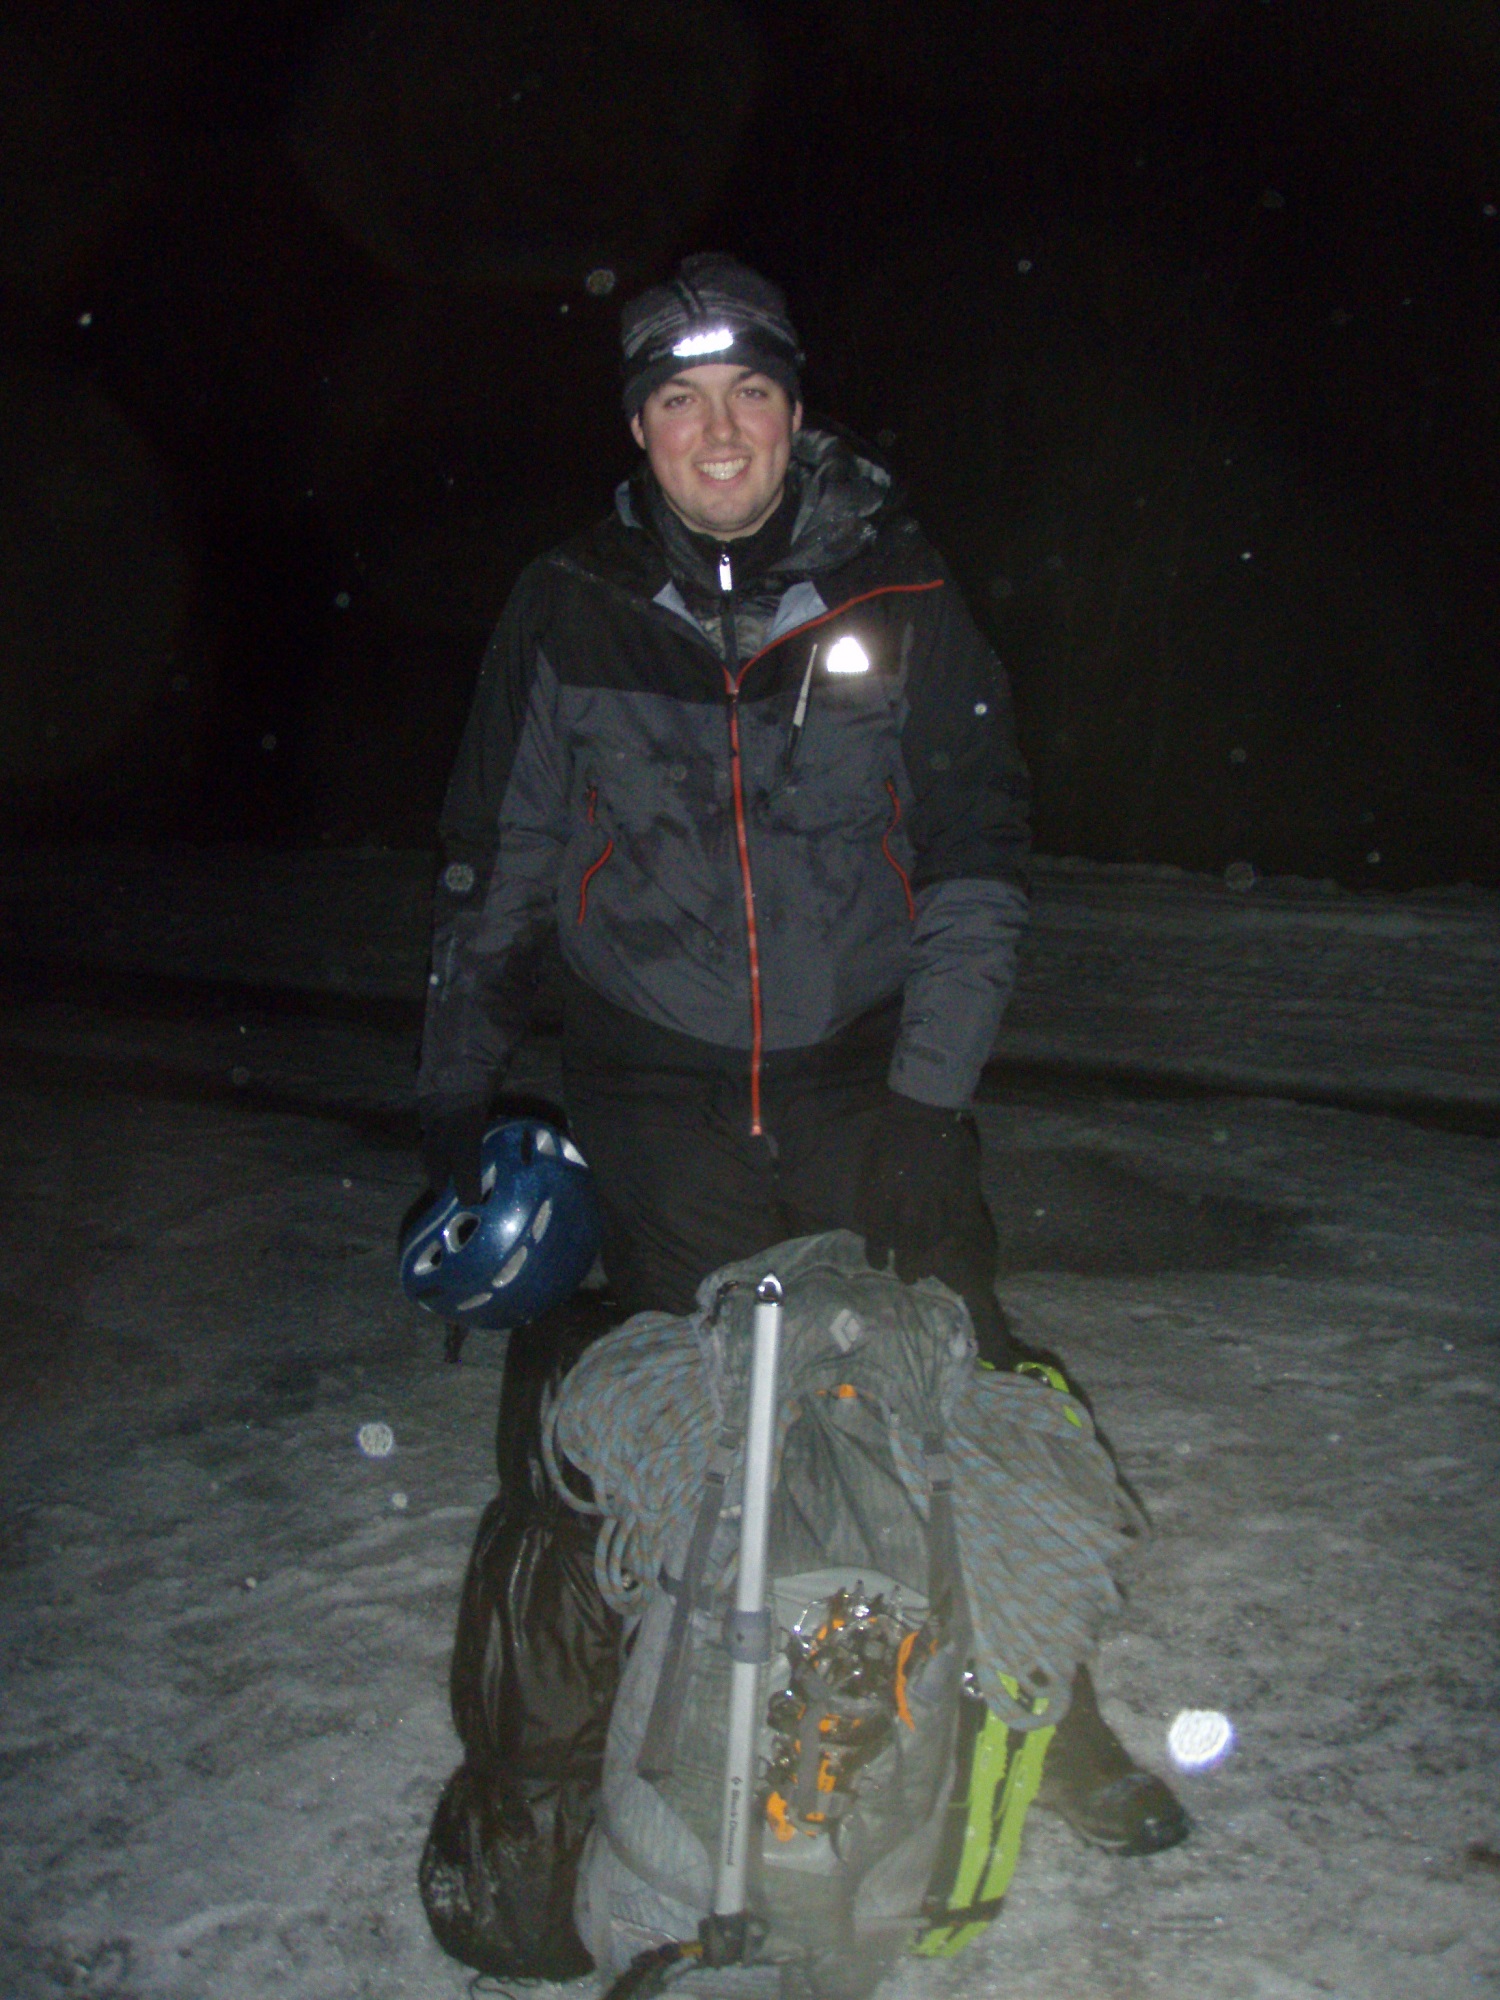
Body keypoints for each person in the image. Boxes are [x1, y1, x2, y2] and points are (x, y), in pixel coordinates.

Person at [416, 253, 1186, 1855]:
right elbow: (499, 866)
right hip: (652, 1105)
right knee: (650, 1434)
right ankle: (622, 1767)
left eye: (748, 395)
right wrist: (455, 1097)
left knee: (962, 1404)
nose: (718, 433)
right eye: (680, 400)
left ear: (792, 413)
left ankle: (1056, 1724)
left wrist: (928, 1101)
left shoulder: (899, 590)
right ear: (640, 429)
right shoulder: (567, 606)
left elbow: (978, 864)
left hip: (864, 1090)